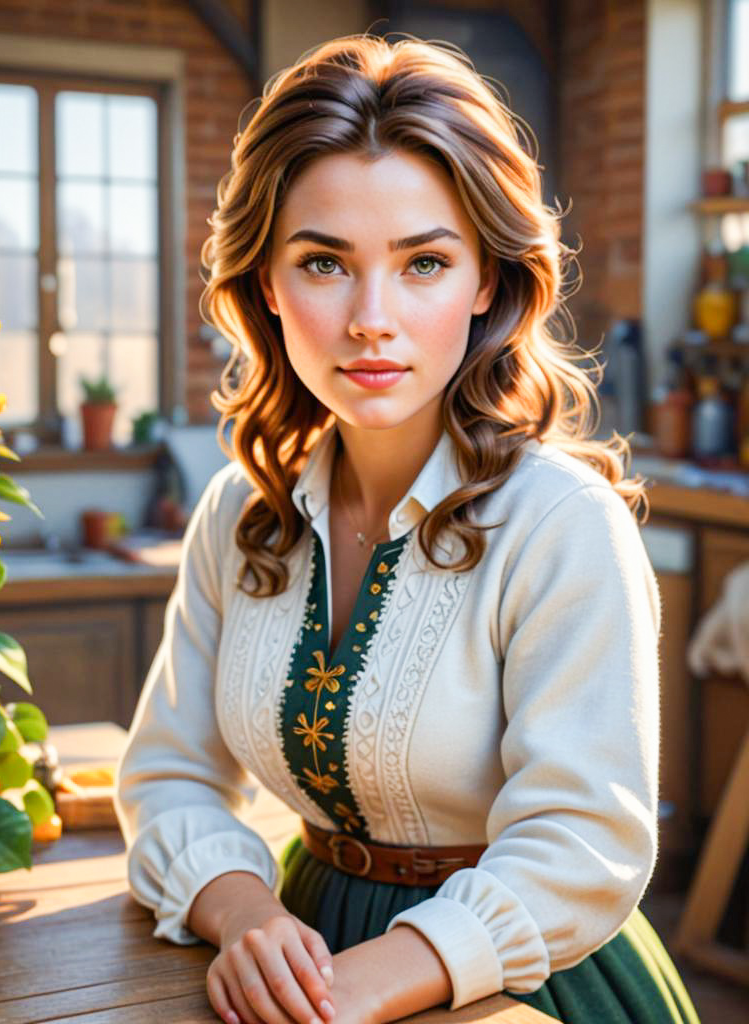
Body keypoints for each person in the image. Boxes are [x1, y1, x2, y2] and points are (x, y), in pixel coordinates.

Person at [114, 32, 701, 1024]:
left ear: (485, 284)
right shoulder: (240, 515)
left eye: (423, 261)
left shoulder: (562, 526)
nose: (370, 319)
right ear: (267, 283)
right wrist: (243, 910)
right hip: (299, 956)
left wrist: (371, 979)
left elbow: (582, 842)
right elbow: (166, 771)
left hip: (524, 985)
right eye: (324, 263)